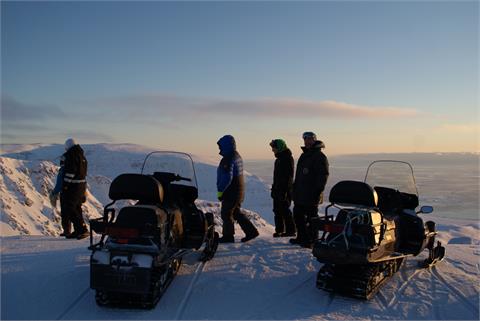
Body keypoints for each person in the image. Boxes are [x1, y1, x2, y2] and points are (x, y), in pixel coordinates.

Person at [216, 135, 259, 243]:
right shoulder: (236, 156)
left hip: (231, 191)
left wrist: (221, 191)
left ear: (226, 145)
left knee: (226, 213)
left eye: (220, 146)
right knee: (236, 212)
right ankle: (251, 232)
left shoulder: (228, 158)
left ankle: (228, 236)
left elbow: (227, 177)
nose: (219, 148)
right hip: (238, 190)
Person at [290, 132, 329, 248]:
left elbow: (323, 176)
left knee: (312, 218)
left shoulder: (319, 156)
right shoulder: (305, 155)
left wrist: (317, 192)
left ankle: (312, 240)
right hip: (300, 193)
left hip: (311, 194)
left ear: (314, 140)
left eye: (310, 139)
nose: (307, 142)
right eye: (305, 139)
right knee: (298, 216)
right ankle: (301, 237)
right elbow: (299, 175)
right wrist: (294, 189)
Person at [61, 138, 89, 239]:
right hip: (81, 186)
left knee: (70, 208)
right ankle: (79, 230)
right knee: (77, 207)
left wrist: (65, 185)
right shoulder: (82, 156)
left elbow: (70, 172)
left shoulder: (71, 156)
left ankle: (82, 229)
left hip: (73, 186)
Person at [269, 139, 296, 238]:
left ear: (279, 147)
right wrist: (274, 188)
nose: (273, 150)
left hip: (284, 189)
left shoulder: (287, 159)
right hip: (277, 188)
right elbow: (277, 177)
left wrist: (285, 191)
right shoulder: (278, 160)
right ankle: (279, 230)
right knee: (277, 210)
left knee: (285, 209)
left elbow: (289, 176)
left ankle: (291, 230)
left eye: (274, 148)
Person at [49, 156, 72, 237]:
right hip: (73, 193)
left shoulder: (63, 170)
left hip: (65, 193)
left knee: (65, 213)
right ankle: (76, 230)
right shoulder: (73, 170)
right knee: (72, 212)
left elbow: (59, 183)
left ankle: (67, 231)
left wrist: (54, 193)